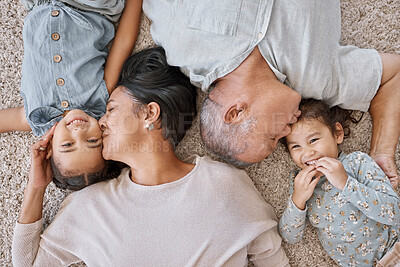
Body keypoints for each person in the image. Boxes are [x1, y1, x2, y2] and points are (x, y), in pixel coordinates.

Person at [12, 47, 289, 266]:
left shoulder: (226, 185)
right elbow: (27, 263)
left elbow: (273, 259)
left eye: (111, 109)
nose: (102, 121)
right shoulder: (90, 207)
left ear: (149, 114)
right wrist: (36, 187)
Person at [142, 0, 400, 186]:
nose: (287, 133)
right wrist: (381, 153)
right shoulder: (320, 82)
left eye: (272, 136)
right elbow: (392, 77)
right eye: (280, 141)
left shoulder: (180, 42)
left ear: (236, 112)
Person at [0, 0, 142, 190]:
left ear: (50, 149)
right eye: (92, 141)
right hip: (88, 9)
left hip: (39, 6)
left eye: (67, 144)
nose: (78, 132)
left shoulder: (34, 118)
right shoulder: (102, 98)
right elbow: (123, 43)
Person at [278, 99, 400, 266]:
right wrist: (297, 200)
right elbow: (289, 237)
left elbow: (394, 211)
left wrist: (346, 183)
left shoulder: (357, 162)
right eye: (296, 147)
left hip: (394, 250)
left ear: (337, 133)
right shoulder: (300, 184)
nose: (307, 153)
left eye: (313, 140)